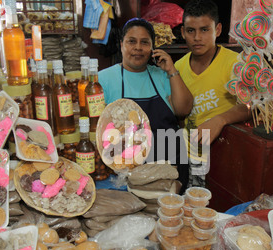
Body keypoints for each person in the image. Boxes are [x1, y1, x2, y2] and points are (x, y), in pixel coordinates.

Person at [99, 18, 193, 193]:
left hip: (169, 167)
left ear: (153, 47)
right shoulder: (104, 79)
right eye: (131, 41)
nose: (138, 47)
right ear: (121, 45)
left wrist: (172, 70)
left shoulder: (163, 76)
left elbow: (184, 109)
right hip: (127, 170)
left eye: (145, 42)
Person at [175, 0, 251, 188]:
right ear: (183, 32)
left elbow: (252, 106)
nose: (197, 37)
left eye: (204, 30)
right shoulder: (178, 68)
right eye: (191, 30)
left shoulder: (235, 64)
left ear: (217, 30)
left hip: (224, 156)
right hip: (189, 156)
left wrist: (220, 120)